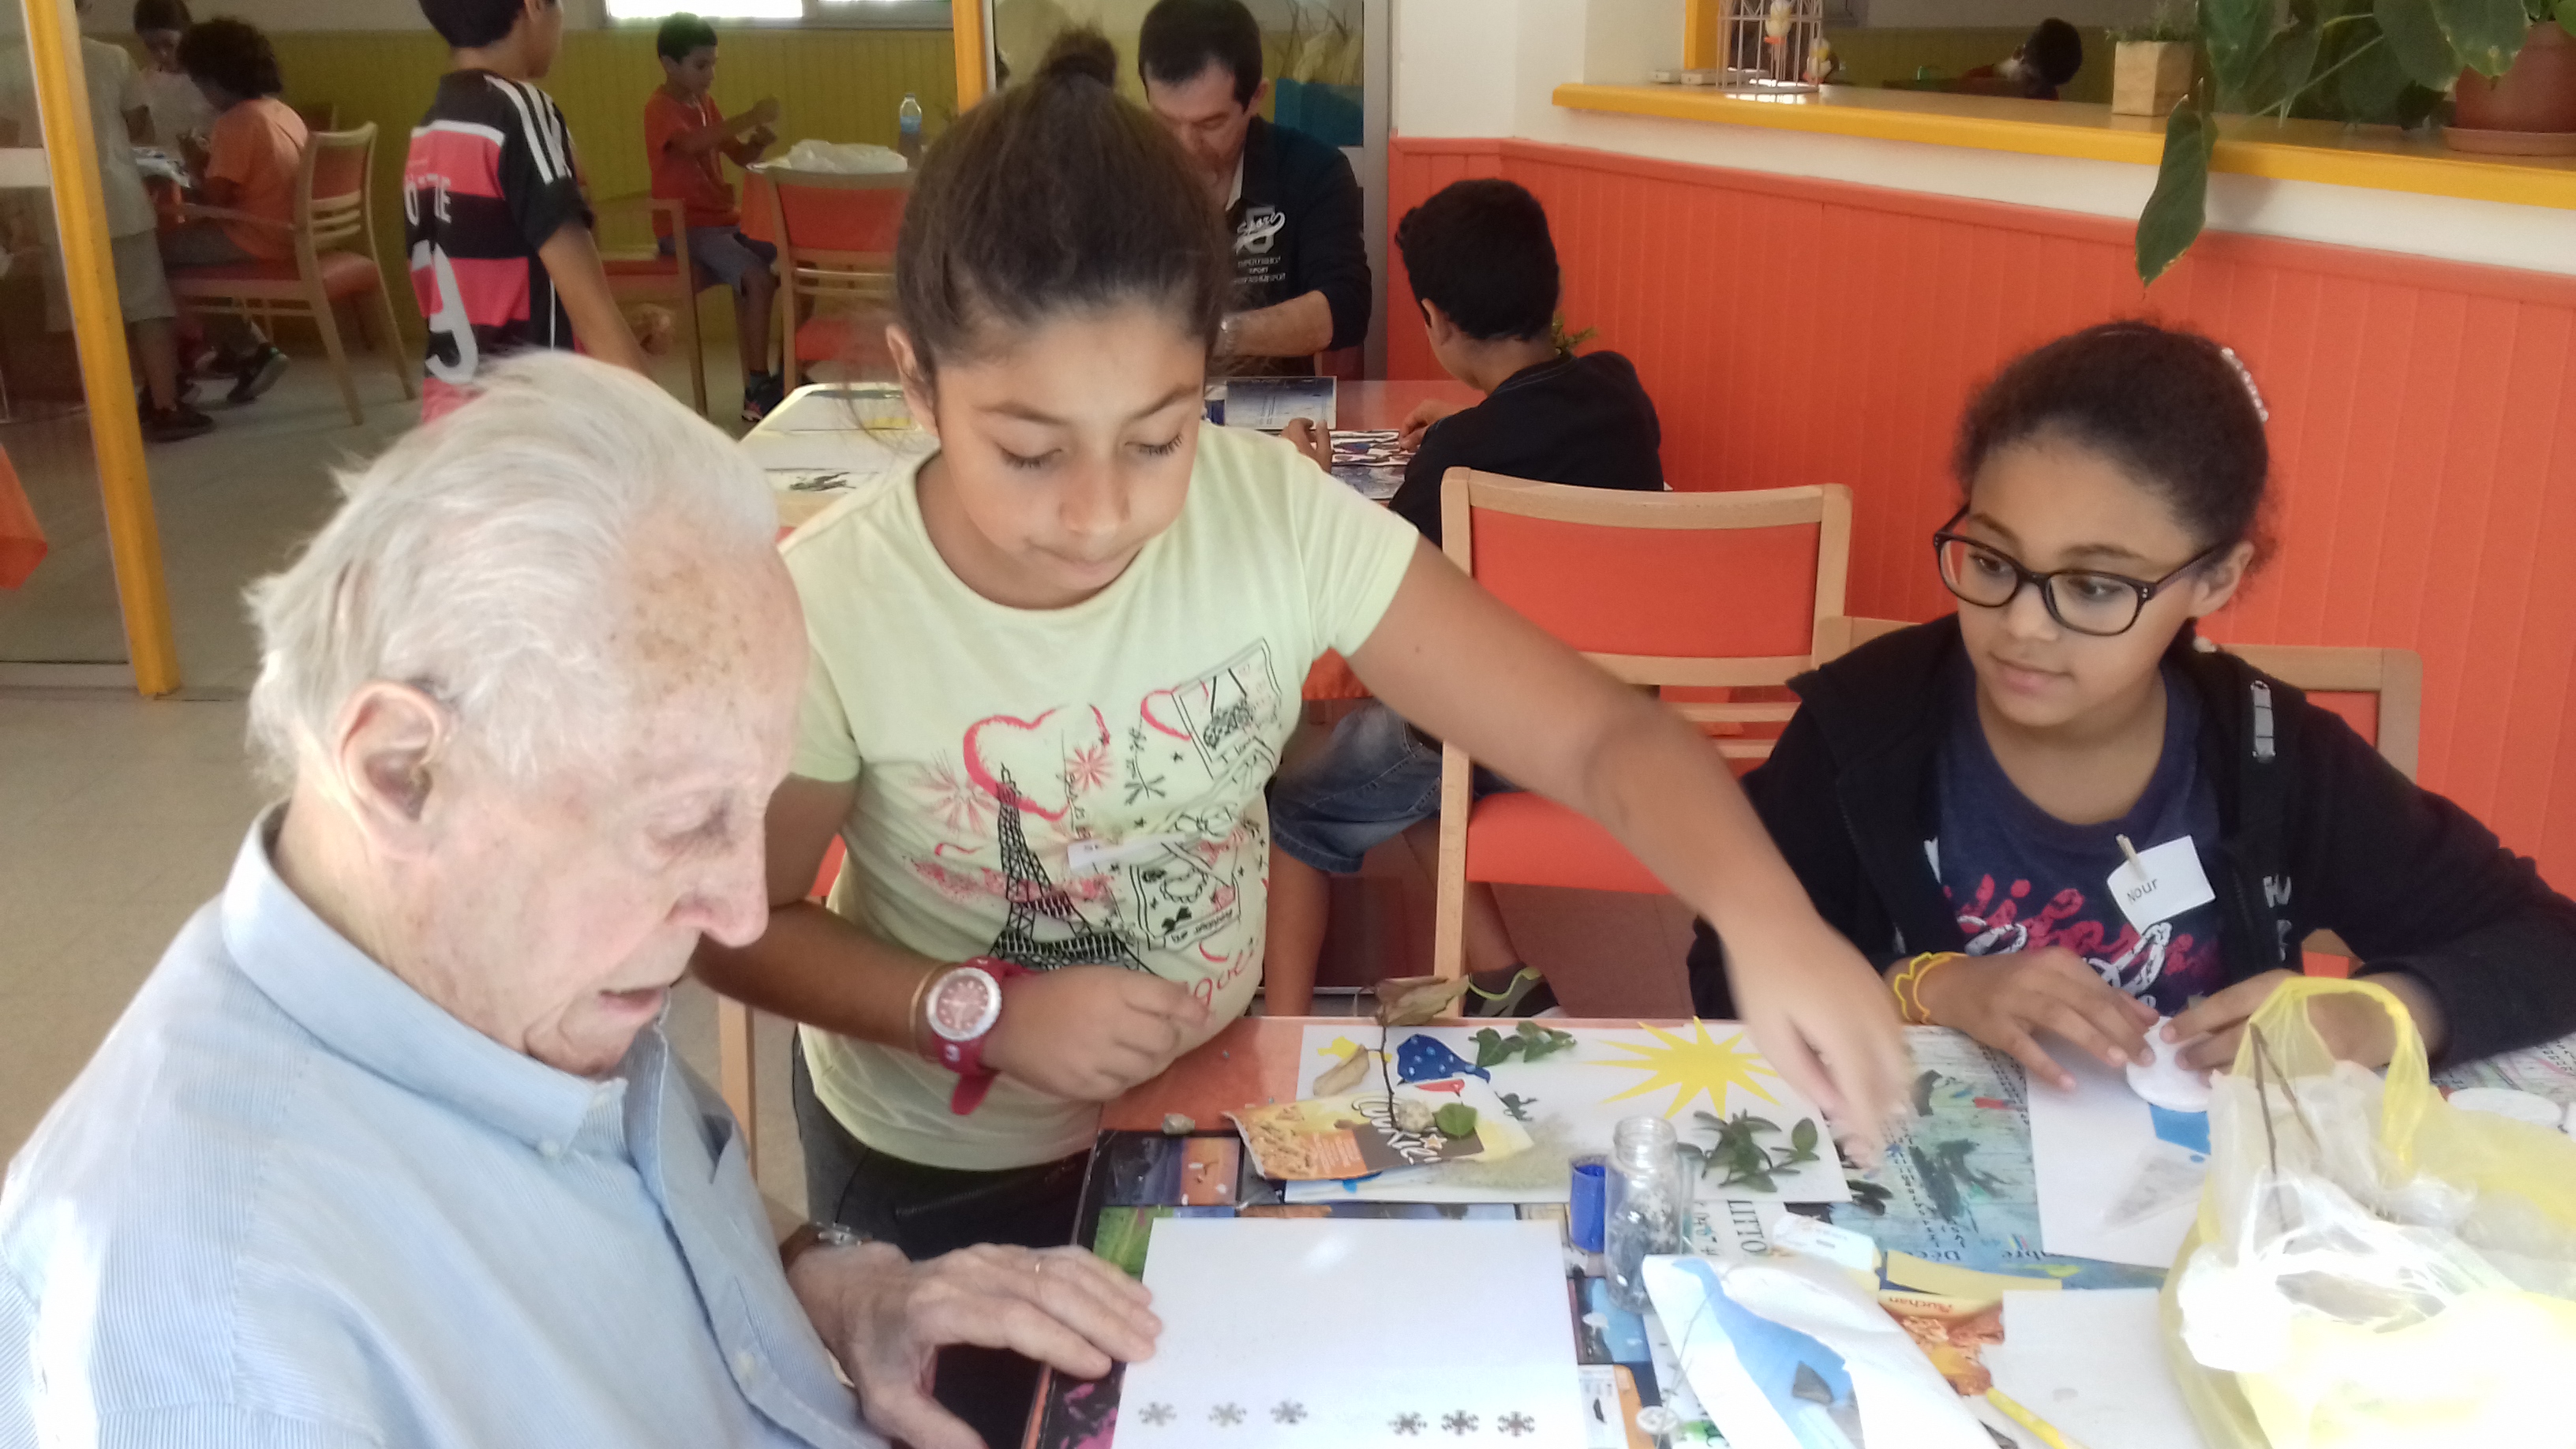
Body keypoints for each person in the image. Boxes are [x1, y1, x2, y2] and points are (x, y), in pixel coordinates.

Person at [694, 32, 1908, 1445]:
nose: (1102, 511)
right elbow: (735, 927)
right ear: (917, 385)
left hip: (1209, 1101)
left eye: (1156, 436)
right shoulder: (835, 602)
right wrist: (979, 1010)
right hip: (944, 1164)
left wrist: (1766, 915)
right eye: (1028, 451)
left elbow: (1598, 737)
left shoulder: (1269, 515)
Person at [0, 353, 1162, 1449]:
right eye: (683, 824)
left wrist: (842, 1287)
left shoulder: (490, 975)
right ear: (404, 772)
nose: (740, 916)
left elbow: (636, 1214)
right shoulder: (224, 1345)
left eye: (753, 808)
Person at [1687, 321, 2576, 1088]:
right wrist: (1931, 988)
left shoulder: (2272, 758)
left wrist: (2374, 1013)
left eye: (2094, 587)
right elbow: (1724, 965)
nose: (2022, 626)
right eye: (1992, 562)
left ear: (2214, 578)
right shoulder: (1864, 730)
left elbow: (2548, 942)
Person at [1263, 178, 1666, 1016]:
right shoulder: (1622, 396)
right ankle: (1504, 976)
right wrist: (1473, 414)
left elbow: (1367, 587)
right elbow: (1544, 428)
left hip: (1491, 737)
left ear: (1437, 321)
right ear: (1551, 288)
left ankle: (1286, 1027)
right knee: (1400, 765)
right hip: (1612, 716)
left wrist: (1311, 486)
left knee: (1296, 797)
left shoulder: (1457, 461)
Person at [408, 0, 647, 422]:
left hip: (454, 419)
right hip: (535, 417)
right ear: (535, 5)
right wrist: (669, 436)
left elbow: (487, 296)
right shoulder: (521, 111)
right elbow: (593, 313)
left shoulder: (432, 127)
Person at [0, 0, 206, 440]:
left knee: (85, 317)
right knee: (148, 308)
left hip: (55, 209)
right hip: (120, 201)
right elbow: (139, 129)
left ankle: (110, 414)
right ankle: (166, 406)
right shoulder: (113, 58)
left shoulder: (11, 63)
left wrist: (14, 213)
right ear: (86, 6)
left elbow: (8, 146)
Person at [1138, 0, 1368, 366]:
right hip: (1147, 395)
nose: (1186, 145)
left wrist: (1218, 335)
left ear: (1256, 98)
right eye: (1165, 122)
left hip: (1272, 400)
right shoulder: (1123, 178)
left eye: (1210, 124)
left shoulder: (1311, 170)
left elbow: (1346, 308)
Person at [647, 12, 787, 424]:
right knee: (757, 277)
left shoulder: (705, 104)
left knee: (793, 256)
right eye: (701, 65)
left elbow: (738, 155)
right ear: (669, 65)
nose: (710, 74)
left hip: (723, 221)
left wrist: (757, 142)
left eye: (713, 64)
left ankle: (788, 371)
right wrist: (752, 116)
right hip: (686, 227)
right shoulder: (659, 108)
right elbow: (690, 144)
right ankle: (757, 387)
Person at [159, 15, 298, 405]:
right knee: (187, 259)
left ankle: (241, 351)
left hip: (253, 235)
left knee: (155, 257)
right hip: (285, 229)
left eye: (199, 83)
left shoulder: (236, 122)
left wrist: (195, 166)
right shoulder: (278, 111)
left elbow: (214, 202)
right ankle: (239, 348)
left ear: (215, 80)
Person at [133, 0, 215, 152]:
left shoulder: (214, 79)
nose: (162, 54)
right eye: (151, 46)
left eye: (169, 44)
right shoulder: (144, 79)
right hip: (164, 162)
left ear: (186, 35)